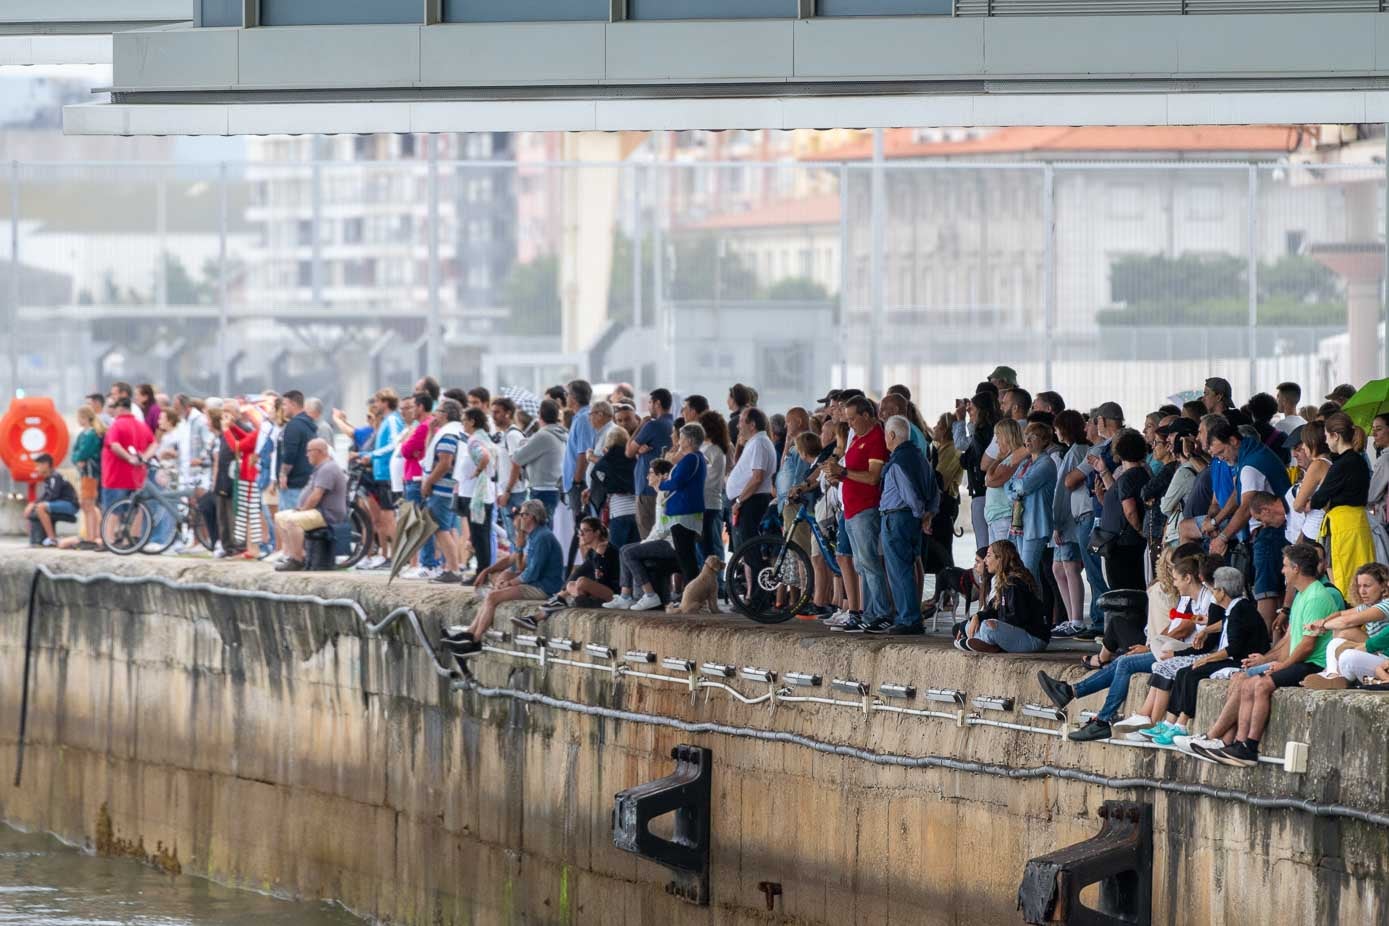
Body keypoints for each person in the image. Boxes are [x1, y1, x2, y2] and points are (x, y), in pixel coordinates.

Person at [1185, 543, 1338, 767]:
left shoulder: (1315, 596)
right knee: (1245, 682)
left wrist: (1283, 665)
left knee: (1260, 686)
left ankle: (1248, 746)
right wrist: (1268, 660)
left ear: (1296, 568)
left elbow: (1306, 646)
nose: (1282, 570)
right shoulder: (1302, 595)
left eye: (1285, 566)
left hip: (1314, 664)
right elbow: (1290, 641)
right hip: (1301, 659)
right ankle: (1234, 744)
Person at [1137, 566, 1271, 746]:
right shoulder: (1235, 607)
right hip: (1232, 656)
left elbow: (1234, 648)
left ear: (1222, 592)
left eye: (1214, 589)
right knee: (1184, 672)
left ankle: (1181, 724)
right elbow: (1224, 624)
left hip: (1239, 660)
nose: (1212, 592)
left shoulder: (1240, 609)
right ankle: (1170, 722)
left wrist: (1207, 658)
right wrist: (1206, 629)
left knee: (1192, 673)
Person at [1205, 418, 1292, 627]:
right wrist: (1217, 521)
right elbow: (1239, 493)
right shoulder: (1252, 455)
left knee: (1266, 592)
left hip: (1270, 533)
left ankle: (1264, 642)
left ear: (1234, 441)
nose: (1222, 459)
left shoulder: (1251, 465)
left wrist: (1223, 537)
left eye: (1222, 452)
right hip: (1271, 533)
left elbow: (1245, 508)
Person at [450, 499, 565, 651]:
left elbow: (531, 573)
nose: (520, 518)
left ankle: (475, 639)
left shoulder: (542, 538)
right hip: (538, 582)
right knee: (495, 592)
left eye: (523, 514)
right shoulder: (535, 535)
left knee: (492, 596)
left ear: (531, 517)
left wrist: (510, 583)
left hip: (544, 587)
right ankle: (470, 634)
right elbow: (523, 567)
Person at [823, 396, 890, 633]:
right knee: (861, 565)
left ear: (866, 415)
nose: (849, 423)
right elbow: (850, 472)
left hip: (865, 509)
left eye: (853, 418)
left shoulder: (875, 439)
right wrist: (838, 476)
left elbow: (873, 477)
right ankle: (870, 612)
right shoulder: (858, 438)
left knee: (870, 563)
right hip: (851, 509)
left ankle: (881, 613)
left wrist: (843, 472)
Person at [876, 415, 939, 635]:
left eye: (885, 434)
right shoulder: (920, 457)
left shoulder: (899, 461)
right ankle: (911, 616)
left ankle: (908, 619)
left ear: (892, 435)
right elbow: (934, 489)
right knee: (908, 567)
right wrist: (928, 515)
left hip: (897, 518)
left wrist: (920, 514)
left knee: (899, 570)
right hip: (911, 520)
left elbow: (909, 494)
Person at [1309, 411, 1375, 601]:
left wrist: (1321, 500)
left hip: (1344, 527)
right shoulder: (1358, 460)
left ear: (1336, 436)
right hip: (1357, 524)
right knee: (1363, 577)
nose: (1326, 443)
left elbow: (1318, 499)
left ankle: (1352, 623)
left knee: (1347, 580)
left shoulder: (1343, 464)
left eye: (1327, 437)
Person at [604, 459, 686, 611]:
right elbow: (658, 527)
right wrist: (647, 541)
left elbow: (662, 531)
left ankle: (650, 595)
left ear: (663, 476)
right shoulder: (660, 494)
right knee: (624, 549)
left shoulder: (666, 495)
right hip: (662, 540)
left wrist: (646, 542)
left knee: (629, 552)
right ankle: (626, 596)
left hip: (670, 544)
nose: (647, 477)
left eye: (651, 473)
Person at [1303, 562, 1389, 689]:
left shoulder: (1386, 604)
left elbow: (1347, 621)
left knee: (1346, 643)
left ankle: (1335, 677)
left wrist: (1323, 626)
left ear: (1383, 586)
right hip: (1377, 656)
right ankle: (1332, 675)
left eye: (1367, 586)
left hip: (1384, 657)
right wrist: (1323, 621)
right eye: (1359, 586)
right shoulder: (1367, 606)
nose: (1362, 591)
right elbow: (1340, 614)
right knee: (1338, 641)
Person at [959, 541, 1050, 653]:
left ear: (1000, 559)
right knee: (969, 625)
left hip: (1033, 638)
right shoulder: (1003, 580)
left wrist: (996, 622)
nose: (985, 560)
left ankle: (993, 645)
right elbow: (993, 609)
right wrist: (977, 616)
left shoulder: (1015, 583)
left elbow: (1019, 618)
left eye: (988, 555)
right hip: (1015, 633)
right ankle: (988, 643)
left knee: (987, 628)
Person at [272, 439, 347, 572]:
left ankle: (297, 560)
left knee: (292, 521)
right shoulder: (321, 468)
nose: (306, 455)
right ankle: (290, 555)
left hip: (326, 513)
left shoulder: (328, 468)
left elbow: (317, 495)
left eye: (309, 451)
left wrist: (303, 510)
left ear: (319, 452)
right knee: (280, 517)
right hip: (316, 511)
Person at [1092, 427, 1150, 592]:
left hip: (1122, 545)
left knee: (1122, 590)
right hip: (1125, 542)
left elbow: (1130, 510)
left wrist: (1140, 529)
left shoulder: (1127, 478)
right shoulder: (1142, 474)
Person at [1049, 409, 1091, 635]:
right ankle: (1072, 617)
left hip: (1069, 519)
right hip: (1071, 517)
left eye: (1057, 428)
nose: (1055, 432)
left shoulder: (1076, 452)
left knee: (1070, 567)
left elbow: (1063, 490)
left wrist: (1057, 522)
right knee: (1058, 568)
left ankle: (1076, 619)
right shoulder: (1077, 451)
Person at [1006, 421, 1057, 587]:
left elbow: (1025, 486)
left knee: (1028, 571)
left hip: (1036, 524)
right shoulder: (1025, 463)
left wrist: (1017, 487)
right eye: (1026, 436)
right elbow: (1008, 487)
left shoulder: (1046, 463)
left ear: (1043, 440)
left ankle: (1035, 609)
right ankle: (1030, 608)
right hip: (1021, 524)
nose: (1027, 440)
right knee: (1023, 571)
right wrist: (1017, 487)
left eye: (1032, 437)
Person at [422, 398, 467, 584]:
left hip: (441, 488)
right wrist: (431, 432)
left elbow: (445, 462)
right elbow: (431, 453)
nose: (434, 415)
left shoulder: (449, 434)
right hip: (450, 488)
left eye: (438, 411)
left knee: (441, 529)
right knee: (447, 528)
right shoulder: (455, 431)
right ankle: (452, 566)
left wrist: (428, 482)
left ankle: (453, 569)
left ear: (445, 414)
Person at [726, 408, 777, 551]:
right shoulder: (754, 442)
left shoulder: (759, 443)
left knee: (751, 548)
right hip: (749, 499)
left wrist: (738, 501)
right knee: (746, 549)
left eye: (741, 421)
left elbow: (757, 477)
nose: (738, 425)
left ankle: (757, 573)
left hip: (751, 501)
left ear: (752, 424)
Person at [628, 388, 676, 539]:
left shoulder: (652, 426)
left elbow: (628, 451)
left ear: (657, 403)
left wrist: (640, 425)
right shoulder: (673, 424)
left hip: (647, 489)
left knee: (648, 538)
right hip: (666, 489)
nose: (648, 406)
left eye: (649, 402)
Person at [99, 394, 155, 525]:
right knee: (137, 509)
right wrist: (144, 457)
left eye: (113, 407)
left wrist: (129, 458)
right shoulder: (142, 425)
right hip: (136, 476)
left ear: (120, 408)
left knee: (112, 511)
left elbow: (114, 445)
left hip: (115, 476)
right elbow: (154, 443)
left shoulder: (116, 425)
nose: (110, 410)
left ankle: (110, 540)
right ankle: (133, 540)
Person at [955, 390, 1000, 553]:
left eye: (971, 409)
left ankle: (985, 578)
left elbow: (965, 453)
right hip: (991, 491)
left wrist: (961, 421)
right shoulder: (995, 431)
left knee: (983, 547)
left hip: (981, 492)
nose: (969, 413)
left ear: (981, 411)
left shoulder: (981, 435)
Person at [511, 398, 567, 521]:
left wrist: (523, 444)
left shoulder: (543, 435)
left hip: (542, 491)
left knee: (540, 530)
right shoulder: (560, 433)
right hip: (554, 488)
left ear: (540, 415)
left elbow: (517, 458)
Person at [562, 379, 596, 560]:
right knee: (581, 531)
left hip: (580, 483)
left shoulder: (583, 418)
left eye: (567, 394)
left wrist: (576, 481)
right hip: (575, 482)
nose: (565, 397)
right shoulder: (579, 417)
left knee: (584, 532)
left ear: (574, 397)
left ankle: (587, 571)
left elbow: (583, 453)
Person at [590, 426, 637, 551]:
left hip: (618, 512)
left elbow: (597, 476)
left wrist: (612, 487)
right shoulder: (634, 458)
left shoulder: (606, 461)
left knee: (616, 555)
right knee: (634, 554)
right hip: (637, 511)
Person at [698, 410, 731, 573]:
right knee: (708, 544)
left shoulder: (710, 450)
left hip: (706, 501)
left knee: (705, 547)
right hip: (712, 501)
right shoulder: (716, 449)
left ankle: (712, 580)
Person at [24, 454, 78, 546]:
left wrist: (35, 504)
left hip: (70, 505)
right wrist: (32, 503)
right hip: (59, 503)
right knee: (37, 507)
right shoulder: (48, 479)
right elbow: (46, 495)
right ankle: (39, 537)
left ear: (46, 465)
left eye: (38, 465)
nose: (36, 468)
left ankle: (52, 538)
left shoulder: (55, 477)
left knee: (40, 508)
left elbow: (53, 495)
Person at [71, 405, 104, 547]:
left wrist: (78, 458)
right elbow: (75, 452)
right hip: (84, 473)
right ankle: (91, 535)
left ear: (84, 418)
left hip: (90, 472)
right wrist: (77, 459)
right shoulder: (84, 434)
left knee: (88, 503)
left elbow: (83, 452)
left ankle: (91, 537)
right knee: (86, 504)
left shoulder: (91, 434)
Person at [277, 391, 315, 512]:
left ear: (293, 404)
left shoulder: (293, 425)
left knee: (289, 523)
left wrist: (283, 474)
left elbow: (290, 453)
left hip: (293, 484)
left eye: (284, 404)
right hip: (306, 480)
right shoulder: (309, 424)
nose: (282, 408)